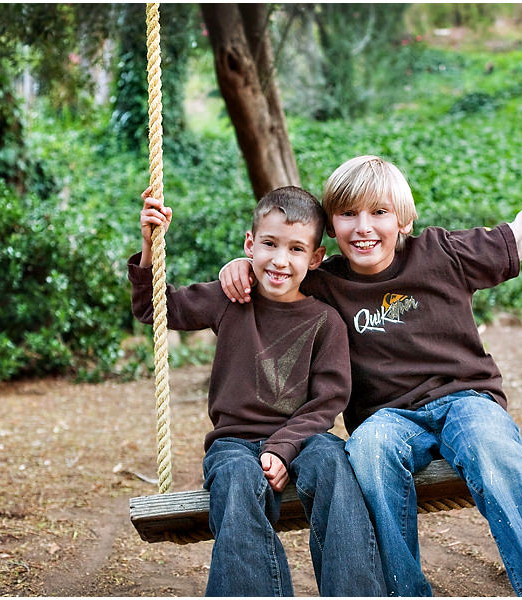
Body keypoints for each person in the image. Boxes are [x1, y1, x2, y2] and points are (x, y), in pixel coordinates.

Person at [218, 117, 522, 596]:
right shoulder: (324, 281)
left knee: (493, 449)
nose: (364, 228)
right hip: (386, 418)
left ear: (404, 220)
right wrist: (240, 268)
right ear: (331, 229)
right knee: (369, 452)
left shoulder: (443, 252)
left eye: (379, 213)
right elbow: (276, 268)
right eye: (347, 215)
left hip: (466, 399)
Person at [129, 185, 386, 596]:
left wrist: (283, 447)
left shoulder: (326, 321)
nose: (280, 260)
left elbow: (328, 401)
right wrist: (148, 244)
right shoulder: (231, 298)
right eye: (269, 244)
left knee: (337, 467)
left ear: (316, 257)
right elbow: (153, 309)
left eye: (297, 249)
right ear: (250, 244)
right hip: (233, 441)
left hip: (304, 439)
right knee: (234, 478)